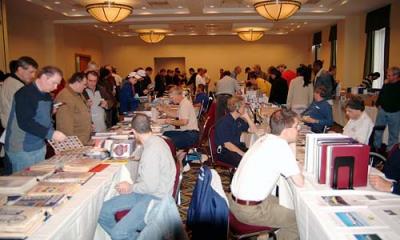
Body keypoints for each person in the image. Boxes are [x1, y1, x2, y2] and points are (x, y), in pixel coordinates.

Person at [229, 109, 304, 240]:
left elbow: (289, 161)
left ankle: (263, 236)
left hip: (234, 202)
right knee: (299, 220)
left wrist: (292, 141)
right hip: (249, 210)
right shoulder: (280, 147)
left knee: (287, 204)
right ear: (286, 131)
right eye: (296, 126)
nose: (299, 129)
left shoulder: (265, 139)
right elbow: (300, 182)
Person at [98, 114, 176, 240]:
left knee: (118, 233)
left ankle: (124, 235)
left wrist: (130, 187)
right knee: (102, 211)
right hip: (149, 191)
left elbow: (150, 187)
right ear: (149, 127)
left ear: (134, 132)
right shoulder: (156, 140)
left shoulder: (151, 151)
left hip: (155, 198)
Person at [5, 66, 66, 172]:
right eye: (54, 83)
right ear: (43, 77)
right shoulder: (25, 94)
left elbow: (47, 121)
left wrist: (54, 142)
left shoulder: (47, 96)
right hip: (22, 149)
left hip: (39, 146)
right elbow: (25, 123)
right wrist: (52, 134)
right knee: (26, 183)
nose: (56, 87)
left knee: (38, 180)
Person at [215, 96, 256, 167]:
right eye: (244, 106)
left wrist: (247, 117)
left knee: (255, 155)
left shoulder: (238, 120)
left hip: (235, 147)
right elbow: (228, 145)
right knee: (248, 162)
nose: (245, 108)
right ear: (238, 109)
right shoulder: (224, 122)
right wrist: (243, 154)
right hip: (224, 151)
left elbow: (253, 130)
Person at [0, 56, 38, 130]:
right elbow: (28, 112)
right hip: (16, 128)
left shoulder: (8, 80)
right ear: (20, 70)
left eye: (35, 72)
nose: (33, 76)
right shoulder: (19, 86)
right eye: (31, 72)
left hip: (8, 124)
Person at [55, 72, 92, 145]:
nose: (85, 87)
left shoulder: (78, 93)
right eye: (84, 84)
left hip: (83, 140)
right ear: (77, 82)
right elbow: (64, 126)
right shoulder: (64, 97)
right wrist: (70, 146)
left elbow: (79, 111)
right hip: (75, 144)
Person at [374, 67, 400, 152]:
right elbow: (381, 94)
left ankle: (390, 152)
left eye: (389, 75)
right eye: (387, 75)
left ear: (396, 76)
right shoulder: (386, 83)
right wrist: (378, 104)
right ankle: (376, 148)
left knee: (393, 134)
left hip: (395, 113)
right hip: (383, 111)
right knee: (378, 130)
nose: (387, 77)